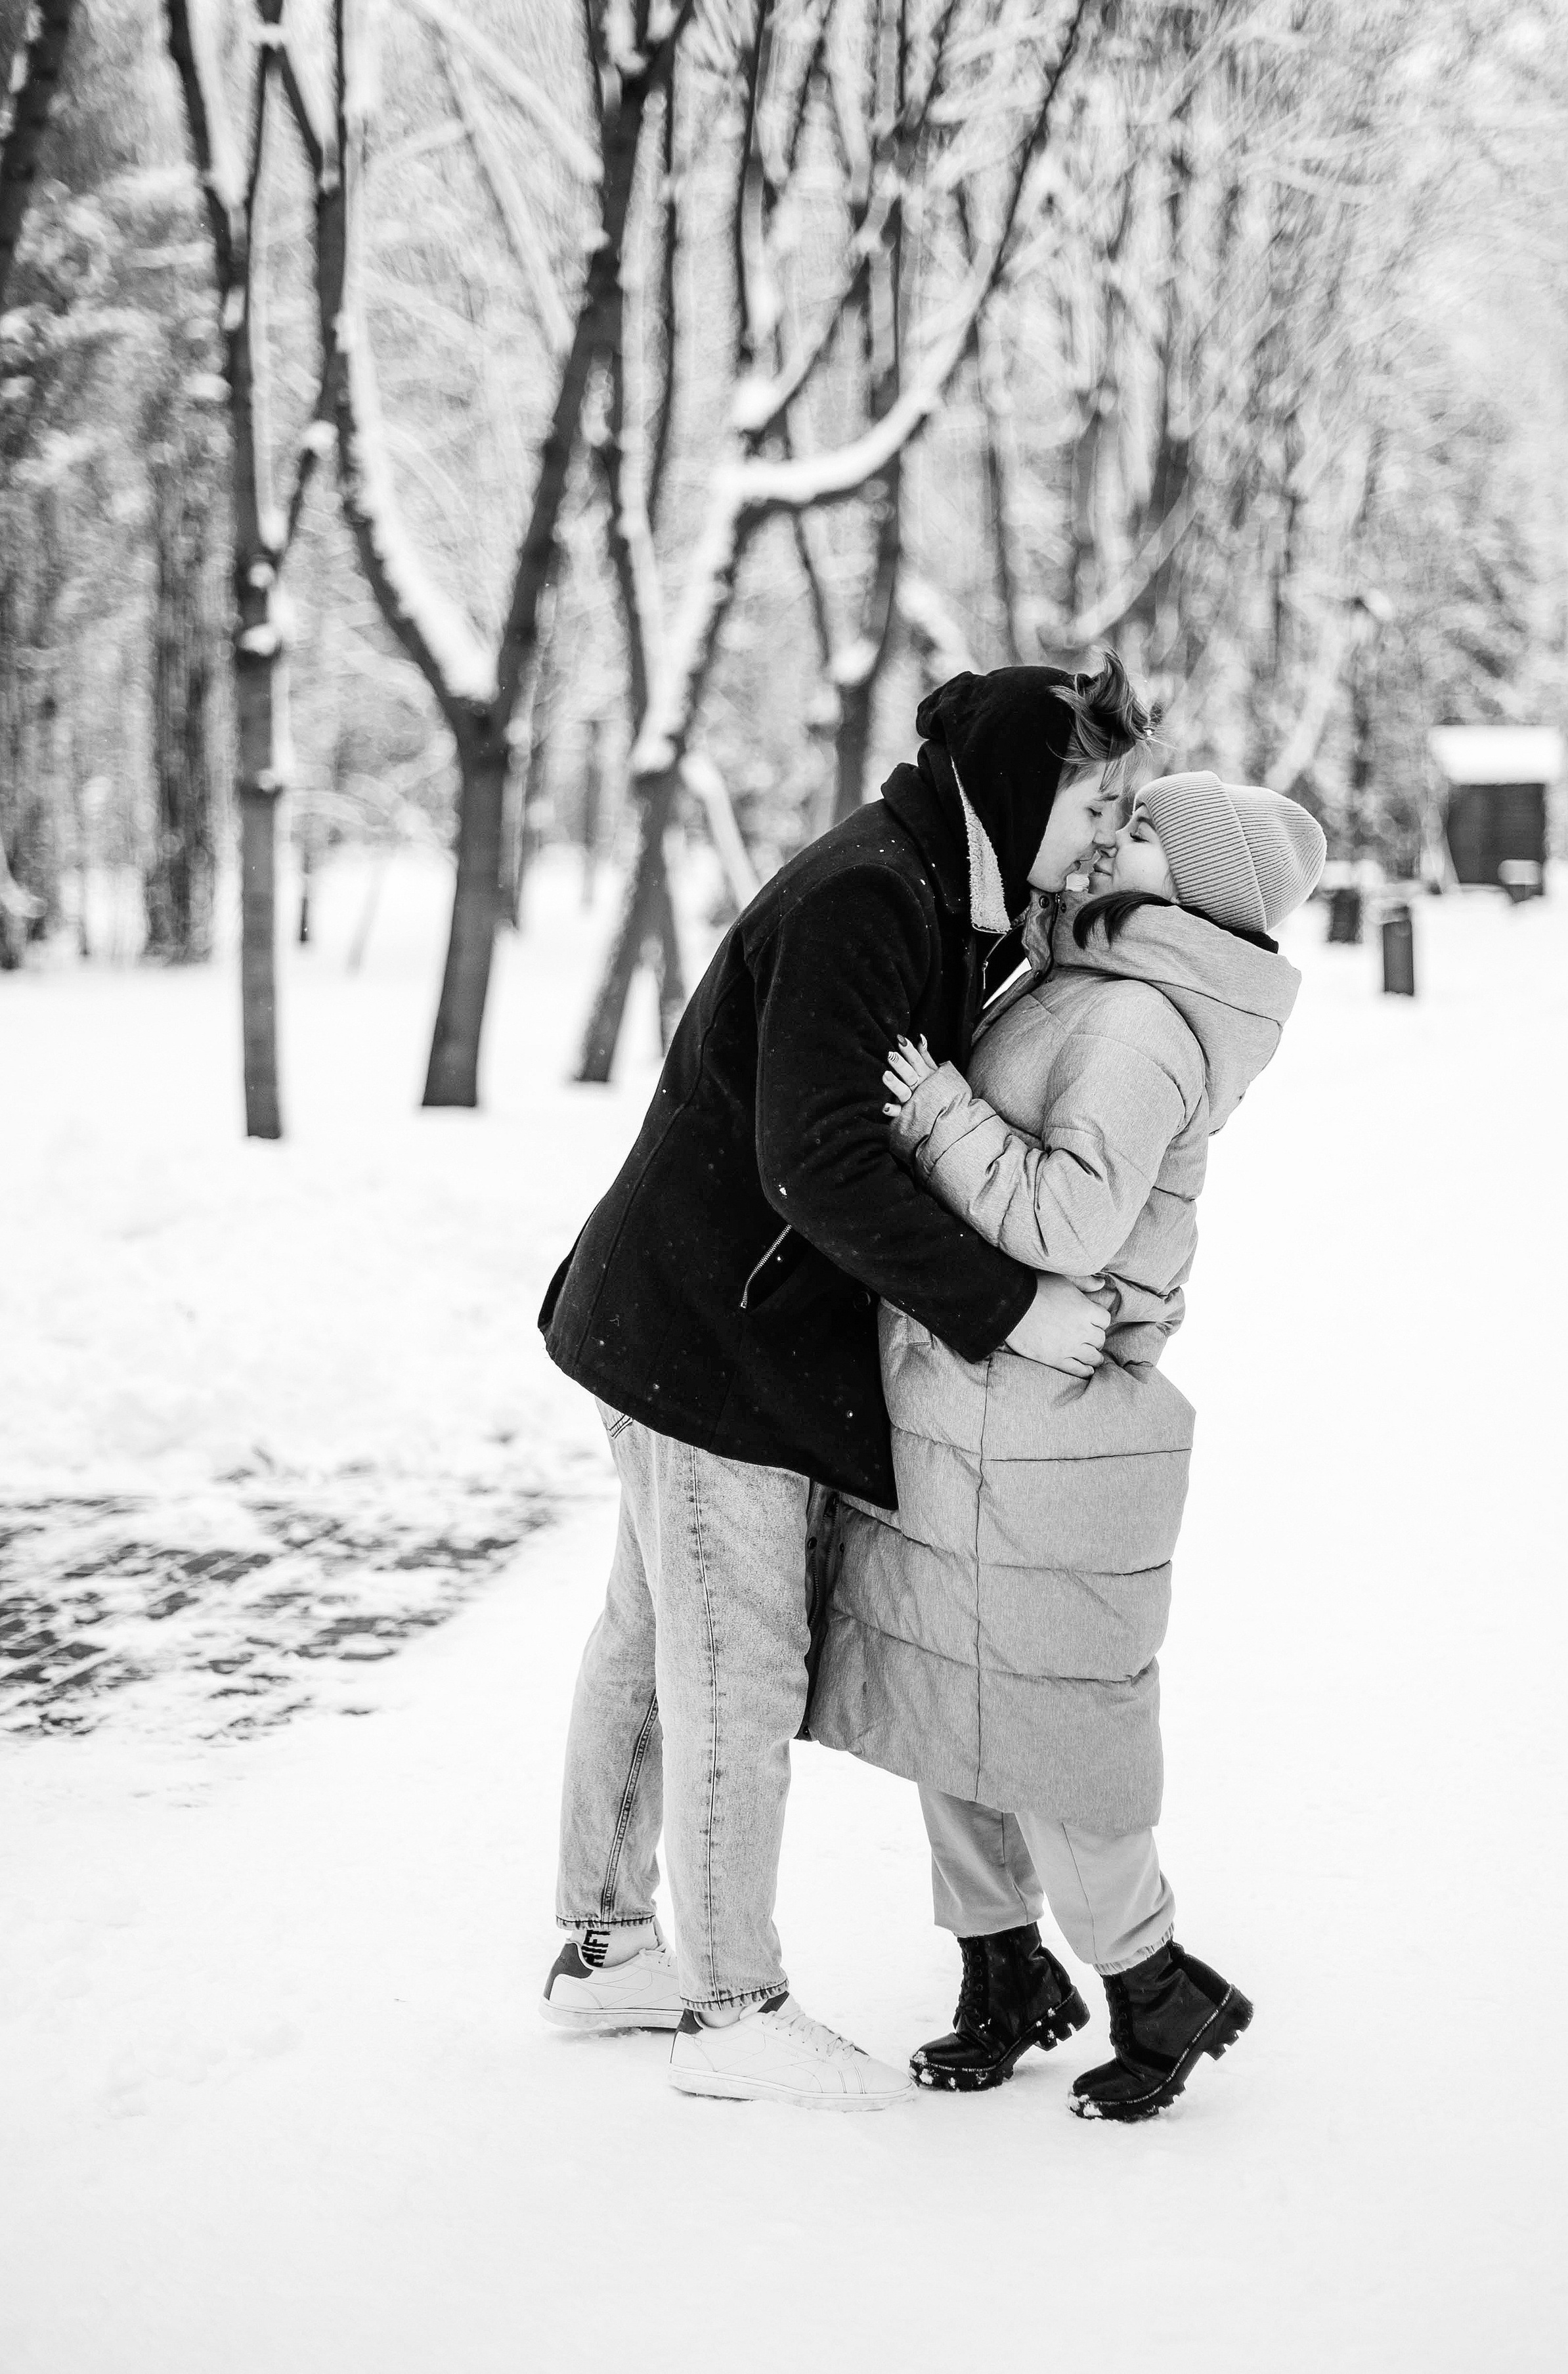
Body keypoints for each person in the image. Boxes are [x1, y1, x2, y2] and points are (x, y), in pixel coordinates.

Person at [535, 659, 1153, 2109]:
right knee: (733, 1668)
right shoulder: (870, 895)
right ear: (1017, 786)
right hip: (709, 1340)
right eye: (1097, 803)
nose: (1111, 837)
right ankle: (729, 2007)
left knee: (647, 1643)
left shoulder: (935, 889)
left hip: (694, 1321)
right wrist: (1005, 1307)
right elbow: (814, 1158)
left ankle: (606, 1946)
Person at [808, 770, 1326, 2121]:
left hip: (1046, 1425)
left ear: (1197, 888)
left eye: (1144, 830)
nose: (1112, 833)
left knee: (1046, 1726)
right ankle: (1000, 1971)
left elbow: (1069, 1227)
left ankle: (1156, 1981)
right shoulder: (1070, 977)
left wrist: (934, 1113)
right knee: (943, 1698)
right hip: (963, 1398)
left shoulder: (1141, 1023)